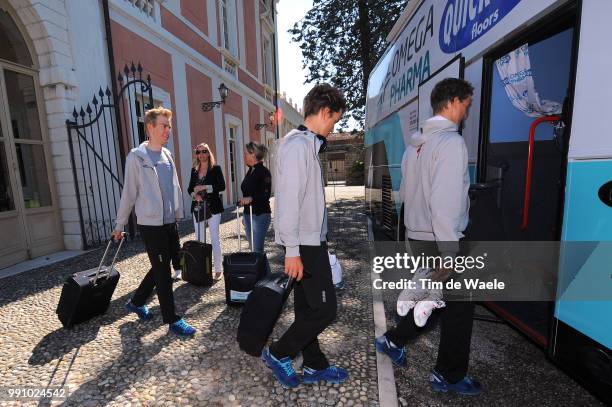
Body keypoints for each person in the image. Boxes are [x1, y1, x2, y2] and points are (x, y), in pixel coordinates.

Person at [374, 78, 480, 395]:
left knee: (434, 302)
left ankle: (393, 340)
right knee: (459, 310)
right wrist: (450, 254)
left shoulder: (415, 147)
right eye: (466, 103)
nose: (466, 110)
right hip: (441, 238)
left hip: (420, 238)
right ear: (452, 102)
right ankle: (448, 375)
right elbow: (444, 204)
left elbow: (405, 194)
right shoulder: (451, 144)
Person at [261, 84, 348, 388]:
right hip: (305, 245)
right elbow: (286, 202)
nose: (333, 126)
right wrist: (292, 250)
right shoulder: (299, 146)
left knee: (307, 308)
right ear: (324, 112)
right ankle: (278, 352)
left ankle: (314, 364)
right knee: (325, 309)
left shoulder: (307, 144)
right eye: (334, 120)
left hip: (311, 241)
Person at [111, 107, 196, 337]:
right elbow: (128, 193)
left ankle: (137, 302)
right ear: (150, 127)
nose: (168, 130)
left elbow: (175, 186)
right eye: (163, 126)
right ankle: (172, 319)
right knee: (163, 271)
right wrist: (119, 225)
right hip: (150, 224)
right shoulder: (136, 158)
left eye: (169, 126)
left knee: (162, 264)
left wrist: (177, 213)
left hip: (169, 222)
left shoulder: (167, 155)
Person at [187, 142, 225, 280]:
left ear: (208, 153)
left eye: (204, 151)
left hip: (213, 207)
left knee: (214, 238)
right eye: (199, 152)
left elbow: (222, 186)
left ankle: (218, 269)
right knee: (200, 239)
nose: (201, 154)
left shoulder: (216, 169)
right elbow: (189, 189)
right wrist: (194, 194)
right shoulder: (194, 170)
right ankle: (202, 268)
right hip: (198, 208)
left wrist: (204, 187)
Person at [239, 141, 272, 261]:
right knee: (254, 251)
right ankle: (261, 277)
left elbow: (266, 194)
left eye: (246, 153)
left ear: (253, 155)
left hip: (260, 215)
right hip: (248, 215)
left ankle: (264, 278)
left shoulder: (264, 172)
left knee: (257, 251)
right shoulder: (251, 170)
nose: (244, 155)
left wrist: (251, 199)